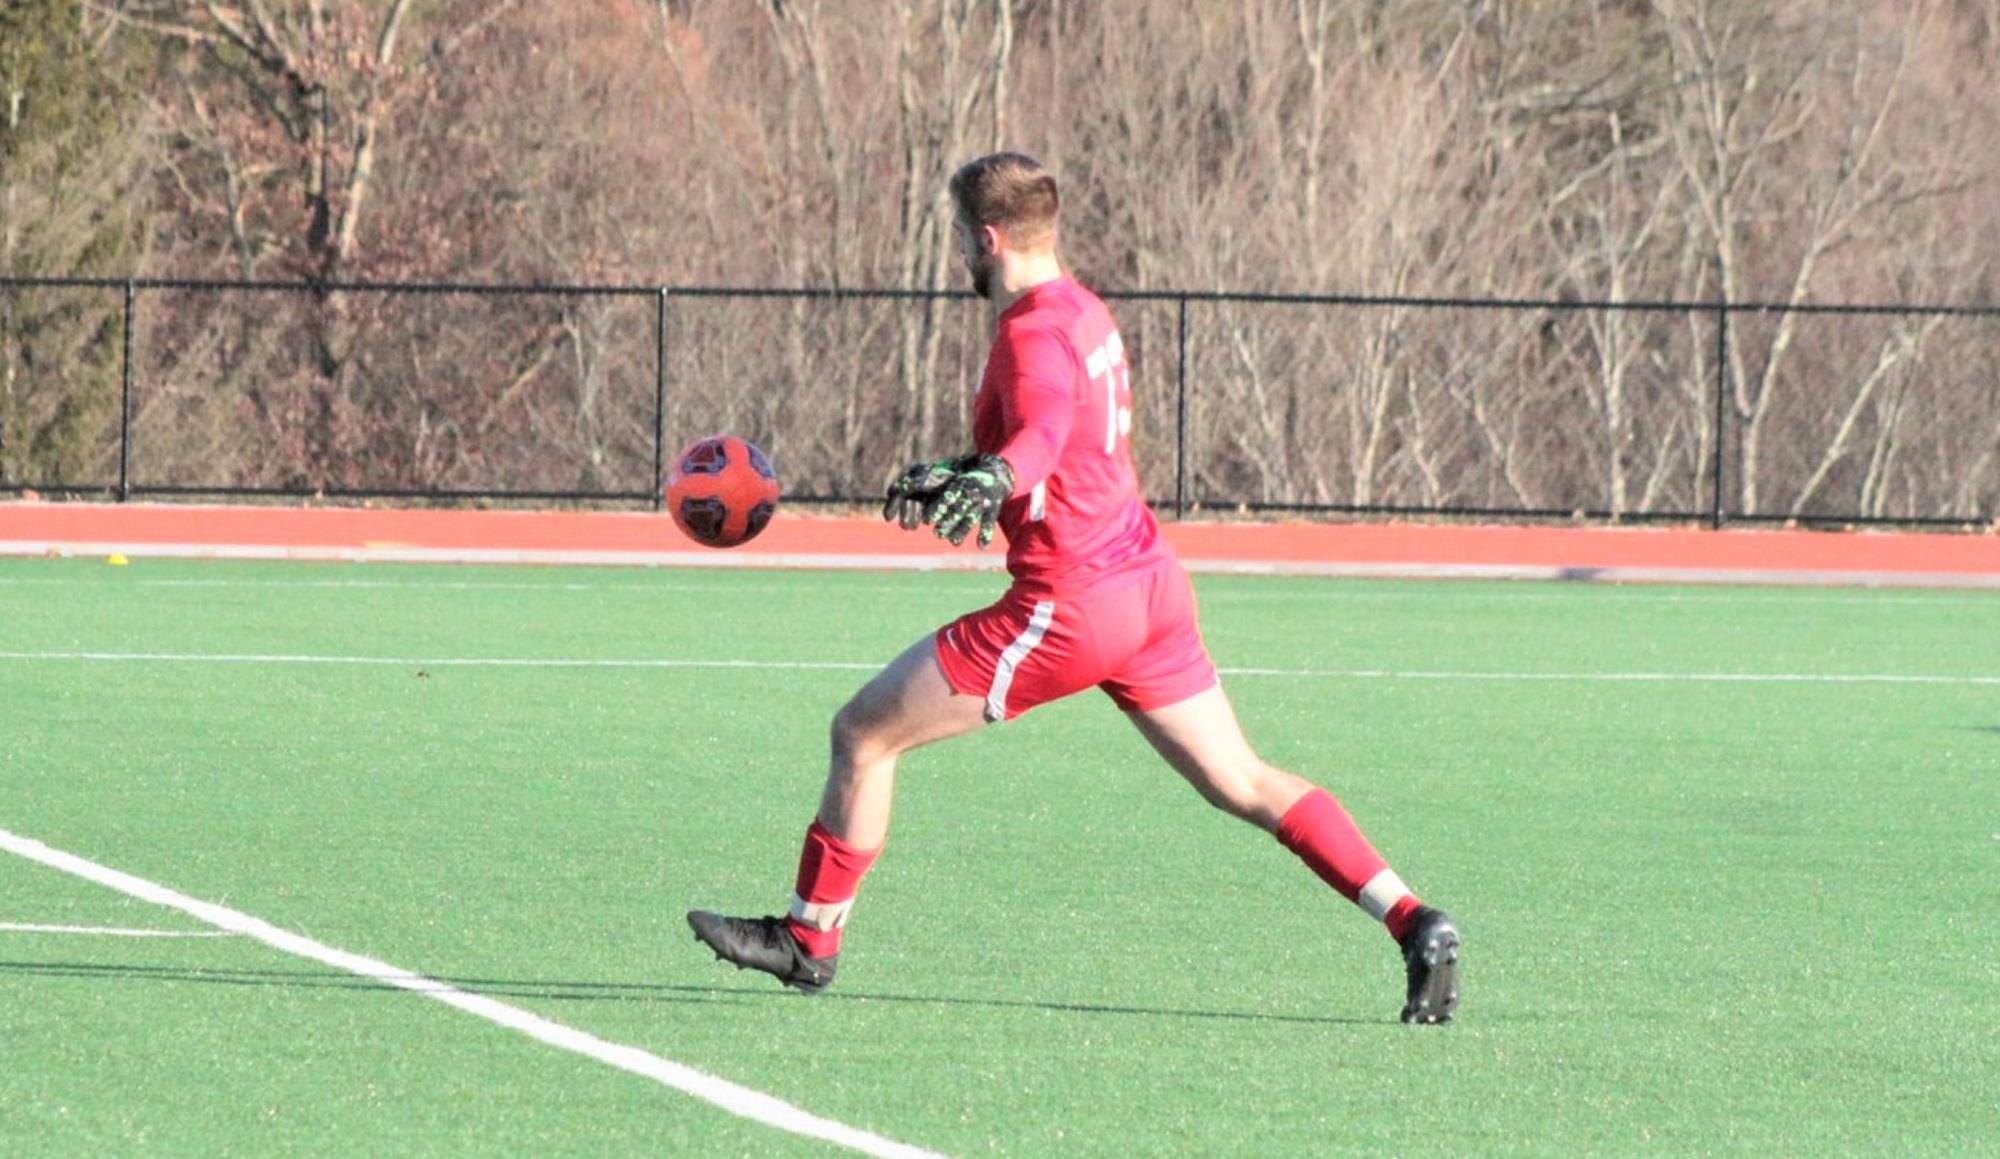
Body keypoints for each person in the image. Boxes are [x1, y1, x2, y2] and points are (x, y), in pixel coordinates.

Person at [688, 152, 1460, 1024]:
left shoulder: (1026, 332)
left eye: (959, 239)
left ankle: (808, 940)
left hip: (1071, 604)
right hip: (1151, 589)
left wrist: (998, 475)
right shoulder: (1085, 312)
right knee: (1242, 779)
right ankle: (1413, 918)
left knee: (862, 736)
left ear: (988, 238)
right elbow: (1066, 442)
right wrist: (967, 473)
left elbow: (1046, 430)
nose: (960, 257)